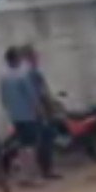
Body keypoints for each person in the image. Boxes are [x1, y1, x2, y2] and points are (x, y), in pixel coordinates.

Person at [0, 46, 43, 185]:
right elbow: (31, 95)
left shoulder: (3, 76)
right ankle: (31, 176)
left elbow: (3, 98)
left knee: (21, 145)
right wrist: (37, 109)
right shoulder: (23, 74)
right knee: (30, 146)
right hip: (27, 114)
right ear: (16, 58)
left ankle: (23, 175)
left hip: (15, 116)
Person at [19, 44, 61, 180]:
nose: (37, 58)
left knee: (34, 142)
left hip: (27, 113)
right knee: (44, 141)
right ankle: (45, 171)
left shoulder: (21, 74)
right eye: (35, 55)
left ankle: (39, 171)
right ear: (29, 57)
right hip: (40, 111)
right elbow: (42, 93)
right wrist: (50, 108)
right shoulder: (33, 73)